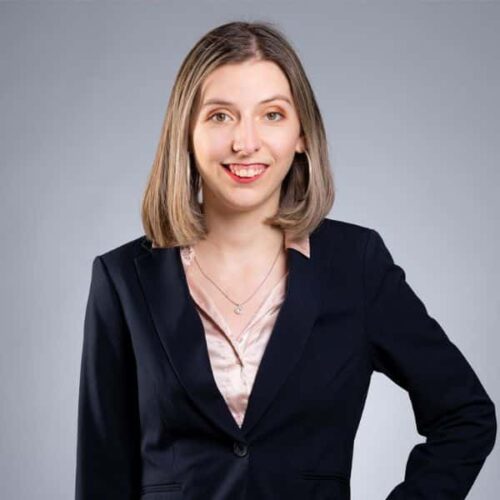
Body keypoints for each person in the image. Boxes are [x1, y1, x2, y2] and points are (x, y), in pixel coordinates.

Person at [75, 21, 496, 500]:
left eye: (272, 115)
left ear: (301, 135)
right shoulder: (123, 279)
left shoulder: (356, 264)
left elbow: (466, 416)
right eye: (220, 116)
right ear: (186, 133)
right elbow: (102, 473)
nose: (245, 142)